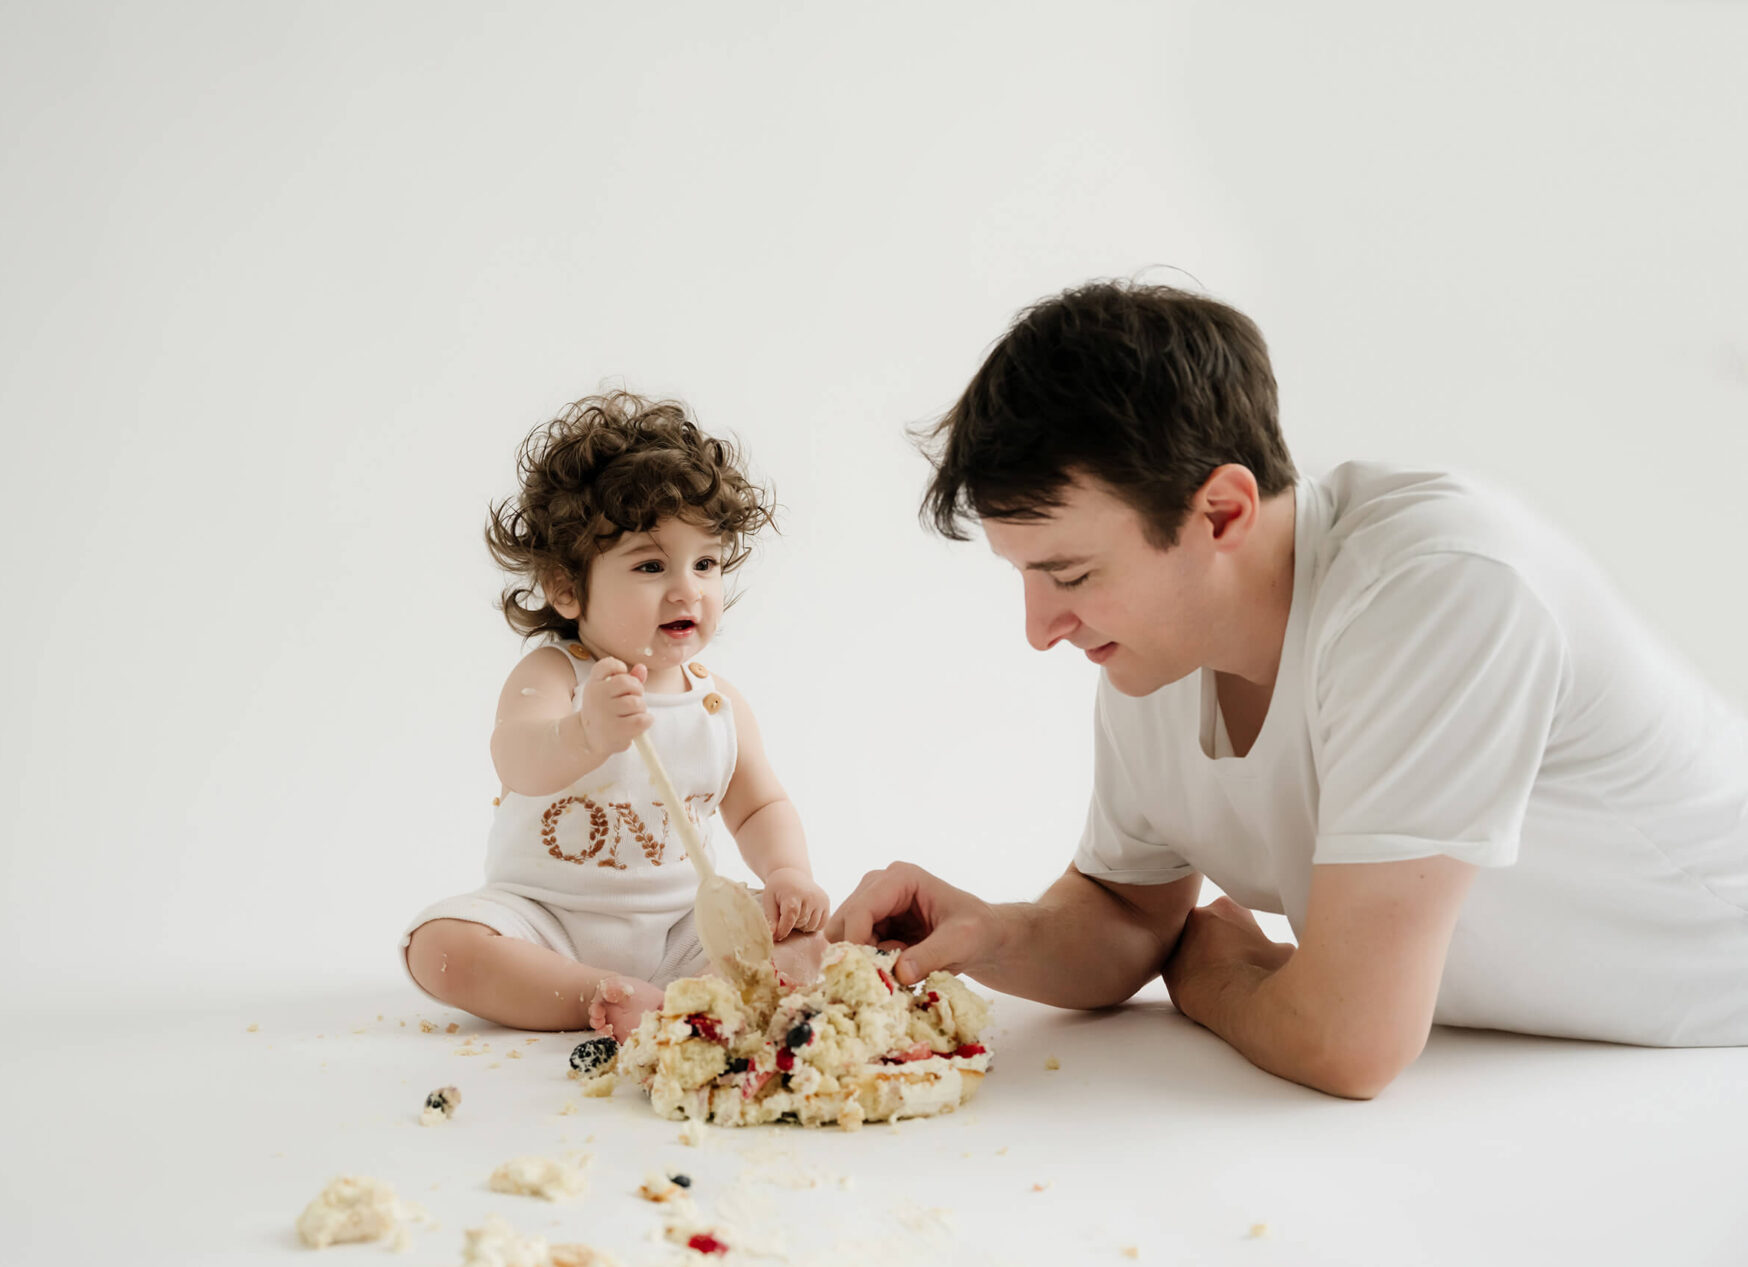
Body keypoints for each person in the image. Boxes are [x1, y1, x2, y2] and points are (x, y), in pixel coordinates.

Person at [826, 280, 1748, 1098]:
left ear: (1221, 512)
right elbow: (1127, 913)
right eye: (1024, 577)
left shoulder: (1439, 589)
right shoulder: (1157, 651)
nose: (1040, 628)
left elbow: (1351, 1042)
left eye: (1069, 575)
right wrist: (994, 934)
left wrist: (1223, 975)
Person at [403, 392, 829, 1041]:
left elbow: (759, 806)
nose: (688, 588)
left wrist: (787, 873)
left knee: (807, 944)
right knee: (437, 946)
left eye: (706, 563)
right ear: (567, 587)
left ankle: (695, 996)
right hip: (548, 920)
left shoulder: (717, 704)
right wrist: (585, 733)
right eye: (652, 564)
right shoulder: (557, 676)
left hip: (687, 925)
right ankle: (592, 995)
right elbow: (514, 756)